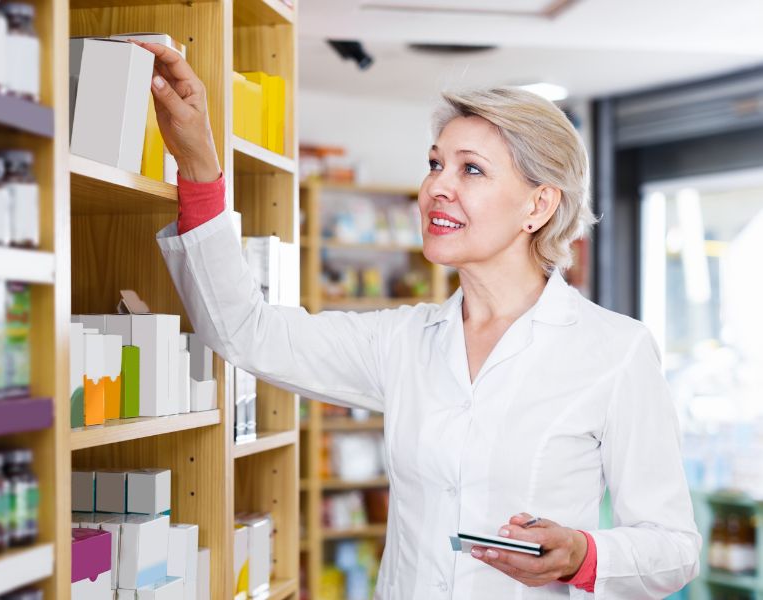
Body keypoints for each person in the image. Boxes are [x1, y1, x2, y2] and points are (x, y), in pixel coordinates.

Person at [133, 39, 702, 599]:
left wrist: (583, 554)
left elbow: (673, 547)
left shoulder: (614, 349)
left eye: (471, 170)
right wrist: (199, 164)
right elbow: (245, 332)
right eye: (435, 164)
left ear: (538, 205)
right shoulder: (403, 340)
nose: (436, 187)